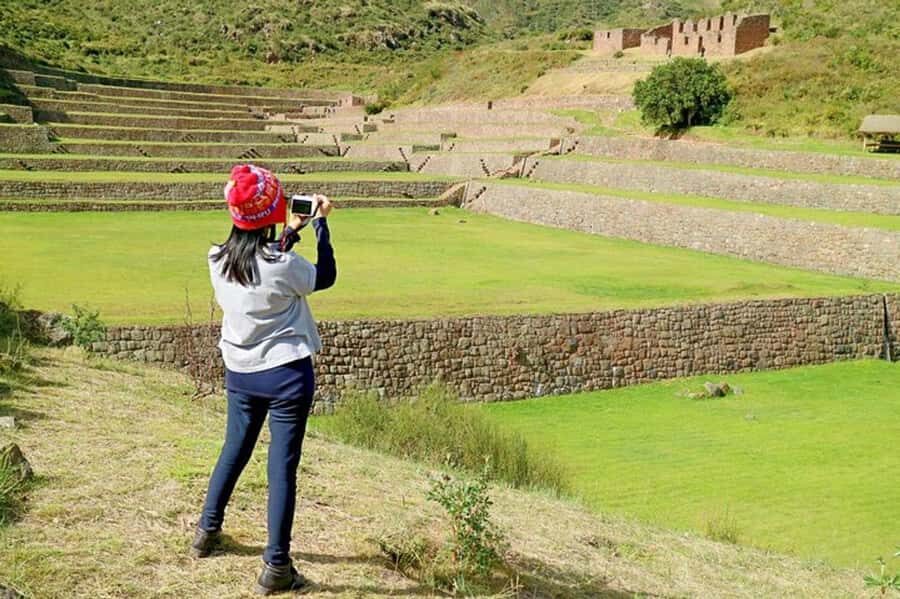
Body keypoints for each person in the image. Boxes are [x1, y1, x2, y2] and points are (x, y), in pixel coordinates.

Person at [190, 164, 336, 595]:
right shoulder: (283, 264)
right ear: (272, 210)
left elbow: (257, 261)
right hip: (287, 374)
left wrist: (290, 232)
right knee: (281, 468)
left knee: (234, 449)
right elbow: (322, 276)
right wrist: (322, 225)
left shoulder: (216, 259)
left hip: (240, 370)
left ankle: (206, 530)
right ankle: (276, 566)